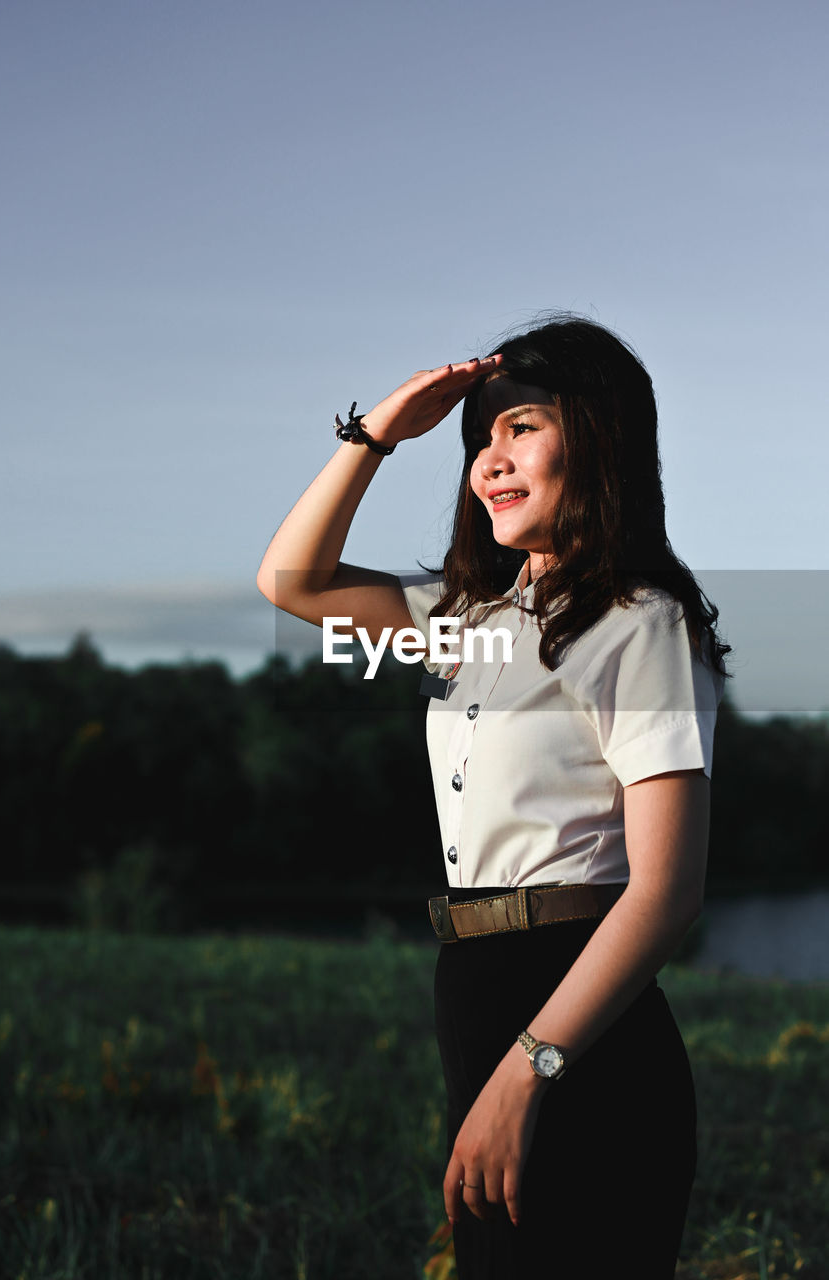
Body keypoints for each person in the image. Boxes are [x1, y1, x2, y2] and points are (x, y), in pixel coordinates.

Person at [257, 313, 730, 1279]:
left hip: (577, 1016)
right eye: (481, 435)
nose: (489, 458)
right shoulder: (468, 618)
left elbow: (667, 893)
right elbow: (290, 580)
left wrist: (531, 1072)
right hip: (473, 993)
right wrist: (377, 434)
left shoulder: (641, 623)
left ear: (597, 438)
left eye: (522, 427)